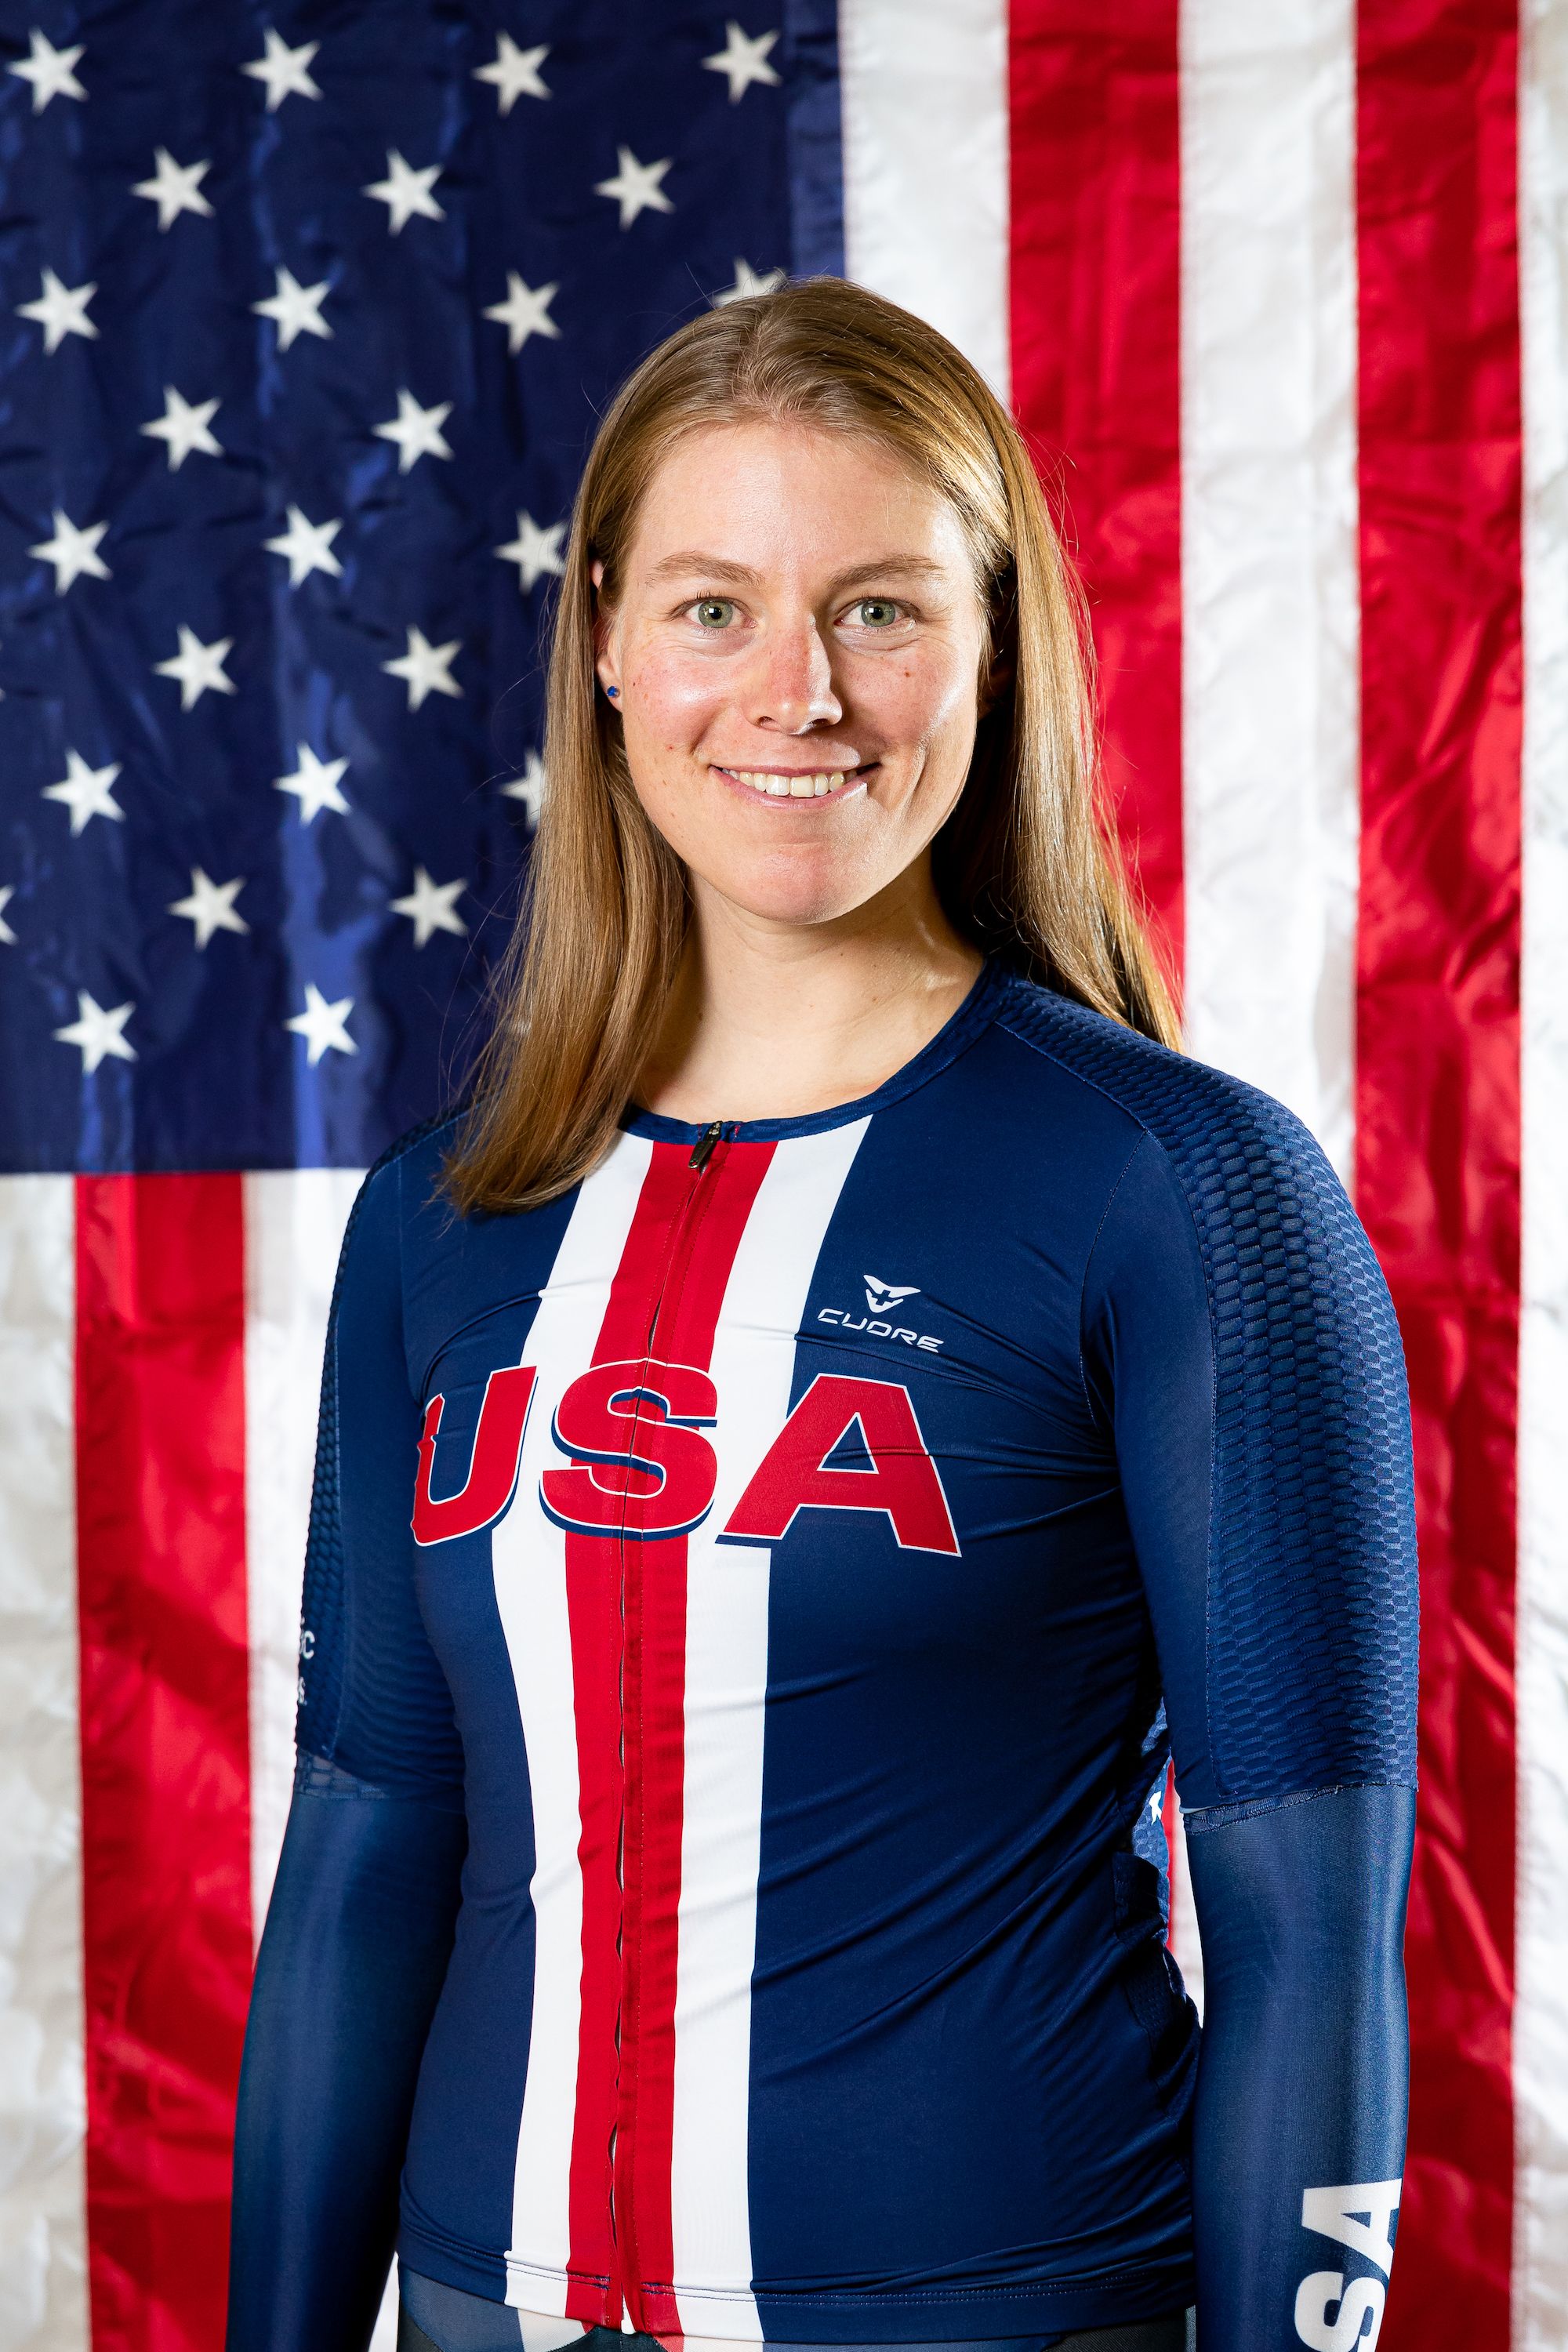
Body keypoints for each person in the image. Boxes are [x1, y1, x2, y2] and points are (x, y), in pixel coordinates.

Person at [227, 278, 1418, 2352]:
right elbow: (364, 1848)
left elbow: (1309, 1919)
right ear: (607, 640)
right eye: (715, 608)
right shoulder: (442, 1217)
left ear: (996, 644)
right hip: (486, 2306)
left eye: (880, 610)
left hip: (1006, 2307)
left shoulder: (1183, 1189)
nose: (798, 695)